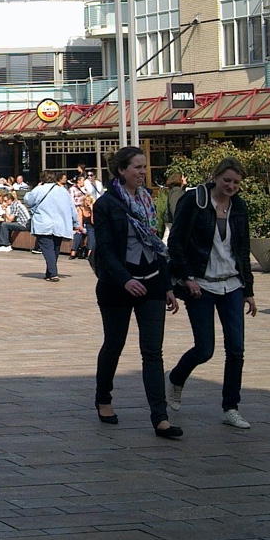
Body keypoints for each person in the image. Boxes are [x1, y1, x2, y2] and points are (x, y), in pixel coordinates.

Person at [91, 145, 182, 438]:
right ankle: (103, 397)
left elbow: (156, 244)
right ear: (121, 171)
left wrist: (167, 285)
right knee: (114, 344)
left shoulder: (147, 200)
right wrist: (124, 280)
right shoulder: (106, 204)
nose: (143, 172)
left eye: (145, 167)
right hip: (118, 284)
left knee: (152, 351)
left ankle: (160, 418)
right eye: (137, 168)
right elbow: (104, 250)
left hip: (152, 279)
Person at [166, 158, 256, 430]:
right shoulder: (195, 200)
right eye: (227, 180)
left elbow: (242, 249)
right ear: (215, 177)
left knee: (236, 349)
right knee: (205, 349)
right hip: (201, 285)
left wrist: (248, 290)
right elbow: (176, 241)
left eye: (236, 183)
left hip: (232, 284)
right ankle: (175, 378)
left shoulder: (239, 207)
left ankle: (231, 406)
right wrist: (188, 277)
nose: (231, 186)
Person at [25, 171, 79, 282]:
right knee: (55, 248)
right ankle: (49, 273)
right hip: (60, 224)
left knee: (48, 249)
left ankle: (53, 273)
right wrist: (75, 222)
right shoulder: (63, 191)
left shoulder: (39, 189)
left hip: (44, 223)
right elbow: (72, 207)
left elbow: (28, 200)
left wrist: (36, 187)